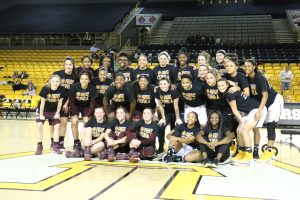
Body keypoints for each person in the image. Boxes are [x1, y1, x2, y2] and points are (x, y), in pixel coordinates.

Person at [217, 79, 267, 165]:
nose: (221, 87)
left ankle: (249, 155)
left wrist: (242, 121)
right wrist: (241, 121)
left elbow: (235, 110)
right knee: (238, 130)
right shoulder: (228, 92)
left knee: (244, 130)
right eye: (219, 86)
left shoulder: (229, 93)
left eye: (223, 85)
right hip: (249, 111)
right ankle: (241, 152)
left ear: (227, 85)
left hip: (257, 109)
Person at [244, 59, 284, 162]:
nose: (247, 68)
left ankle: (269, 152)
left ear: (254, 67)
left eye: (249, 66)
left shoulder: (260, 78)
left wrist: (259, 111)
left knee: (271, 126)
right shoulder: (247, 79)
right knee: (256, 126)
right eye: (245, 66)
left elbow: (265, 95)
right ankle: (256, 150)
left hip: (273, 101)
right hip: (263, 103)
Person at [35, 75, 66, 155]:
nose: (55, 83)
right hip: (43, 109)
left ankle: (55, 145)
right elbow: (42, 103)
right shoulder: (45, 89)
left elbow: (60, 103)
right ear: (50, 81)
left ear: (59, 82)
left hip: (53, 110)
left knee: (57, 126)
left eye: (57, 81)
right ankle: (39, 146)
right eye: (53, 81)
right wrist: (41, 115)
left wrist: (58, 113)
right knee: (39, 125)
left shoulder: (62, 90)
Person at [68, 71, 97, 155]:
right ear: (79, 80)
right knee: (74, 121)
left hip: (86, 106)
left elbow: (92, 103)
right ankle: (76, 141)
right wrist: (75, 114)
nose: (84, 81)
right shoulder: (74, 87)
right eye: (82, 79)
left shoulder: (92, 88)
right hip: (76, 106)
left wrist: (87, 115)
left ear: (89, 80)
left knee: (86, 121)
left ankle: (84, 141)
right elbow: (71, 102)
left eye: (86, 79)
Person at [52, 57, 78, 148]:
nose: (68, 66)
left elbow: (73, 93)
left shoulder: (76, 77)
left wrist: (67, 103)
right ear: (64, 65)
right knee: (53, 123)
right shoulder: (57, 74)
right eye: (66, 64)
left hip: (67, 102)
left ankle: (61, 142)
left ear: (73, 65)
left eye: (70, 64)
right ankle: (53, 141)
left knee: (64, 121)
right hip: (56, 101)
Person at [155, 78, 182, 153]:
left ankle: (175, 149)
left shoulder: (174, 91)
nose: (162, 85)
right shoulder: (157, 91)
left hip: (177, 112)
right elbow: (160, 105)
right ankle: (161, 148)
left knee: (176, 130)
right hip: (167, 112)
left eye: (164, 84)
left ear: (169, 84)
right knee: (161, 126)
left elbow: (176, 106)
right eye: (161, 84)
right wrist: (163, 118)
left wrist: (177, 118)